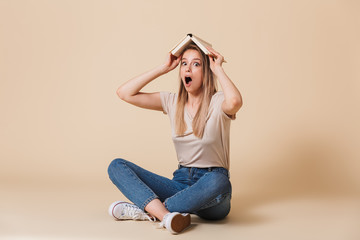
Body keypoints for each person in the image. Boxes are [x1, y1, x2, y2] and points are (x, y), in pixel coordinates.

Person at [107, 41, 242, 234]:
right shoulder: (172, 102)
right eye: (184, 64)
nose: (188, 68)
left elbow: (236, 102)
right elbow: (124, 93)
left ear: (206, 72)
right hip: (180, 184)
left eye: (196, 64)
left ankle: (152, 210)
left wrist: (218, 68)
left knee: (219, 181)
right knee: (116, 166)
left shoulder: (218, 101)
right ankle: (167, 215)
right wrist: (163, 68)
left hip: (212, 190)